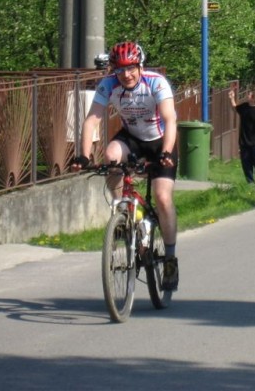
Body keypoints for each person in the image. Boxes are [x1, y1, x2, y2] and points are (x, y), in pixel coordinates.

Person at [71, 41, 180, 292]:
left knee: (163, 198)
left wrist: (166, 152)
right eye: (120, 70)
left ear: (140, 66)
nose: (126, 75)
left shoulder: (156, 82)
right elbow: (91, 121)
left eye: (131, 69)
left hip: (160, 141)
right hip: (132, 138)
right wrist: (84, 156)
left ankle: (171, 258)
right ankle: (125, 214)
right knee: (110, 155)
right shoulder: (108, 85)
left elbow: (170, 120)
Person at [228, 86, 255, 185]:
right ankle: (250, 181)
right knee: (245, 162)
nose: (247, 95)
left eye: (249, 94)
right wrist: (232, 98)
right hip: (244, 140)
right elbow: (235, 109)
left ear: (254, 97)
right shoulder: (244, 106)